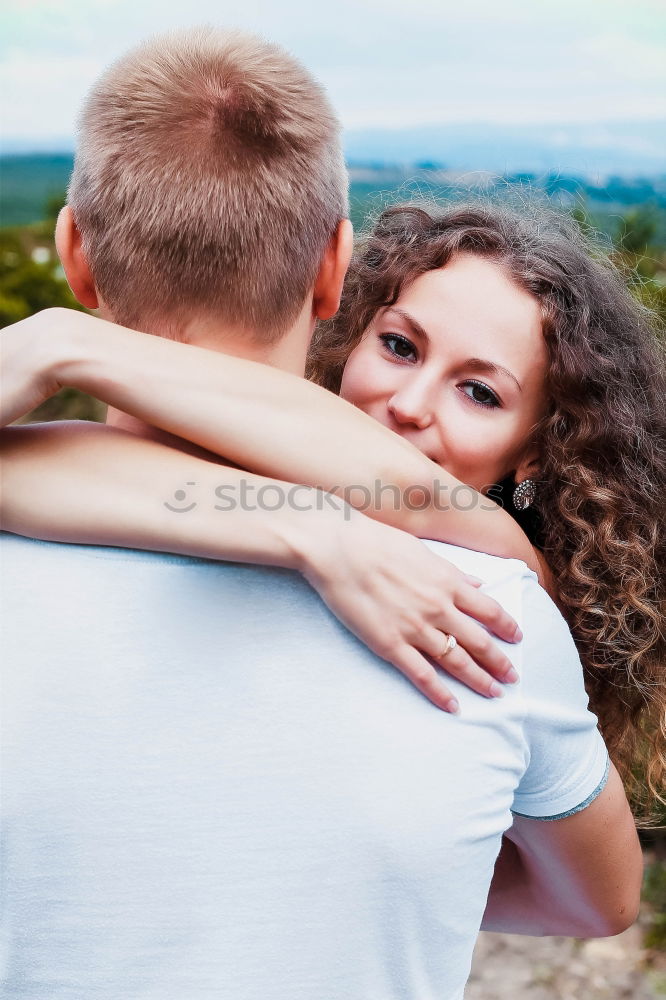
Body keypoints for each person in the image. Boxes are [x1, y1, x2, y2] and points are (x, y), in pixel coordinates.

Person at [0, 26, 643, 1000]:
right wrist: (303, 524)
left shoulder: (489, 587)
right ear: (336, 273)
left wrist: (57, 343)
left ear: (72, 252)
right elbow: (596, 900)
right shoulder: (488, 616)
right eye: (401, 345)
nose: (414, 406)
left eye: (482, 392)